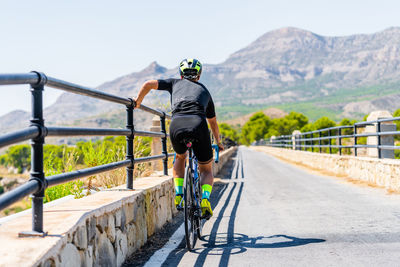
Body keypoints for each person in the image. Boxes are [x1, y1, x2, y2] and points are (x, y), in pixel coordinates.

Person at [133, 58, 224, 219]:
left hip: (177, 124)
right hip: (198, 124)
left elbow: (148, 84)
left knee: (181, 157)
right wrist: (218, 142)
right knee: (206, 169)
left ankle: (179, 193)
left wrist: (138, 102)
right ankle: (204, 199)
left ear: (181, 74)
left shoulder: (173, 83)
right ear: (199, 75)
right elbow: (213, 123)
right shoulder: (205, 91)